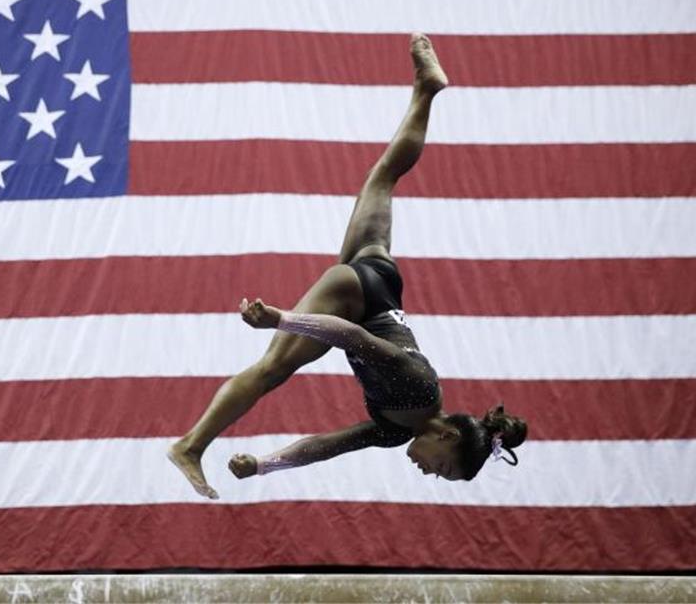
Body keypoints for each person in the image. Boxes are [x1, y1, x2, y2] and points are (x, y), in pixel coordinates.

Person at [167, 34, 527, 498]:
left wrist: (263, 466)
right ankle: (191, 446)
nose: (432, 474)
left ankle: (425, 90)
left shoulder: (397, 429)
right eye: (445, 469)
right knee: (273, 368)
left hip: (379, 282)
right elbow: (353, 337)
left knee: (383, 177)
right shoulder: (418, 390)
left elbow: (328, 447)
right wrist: (281, 319)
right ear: (448, 436)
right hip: (357, 299)